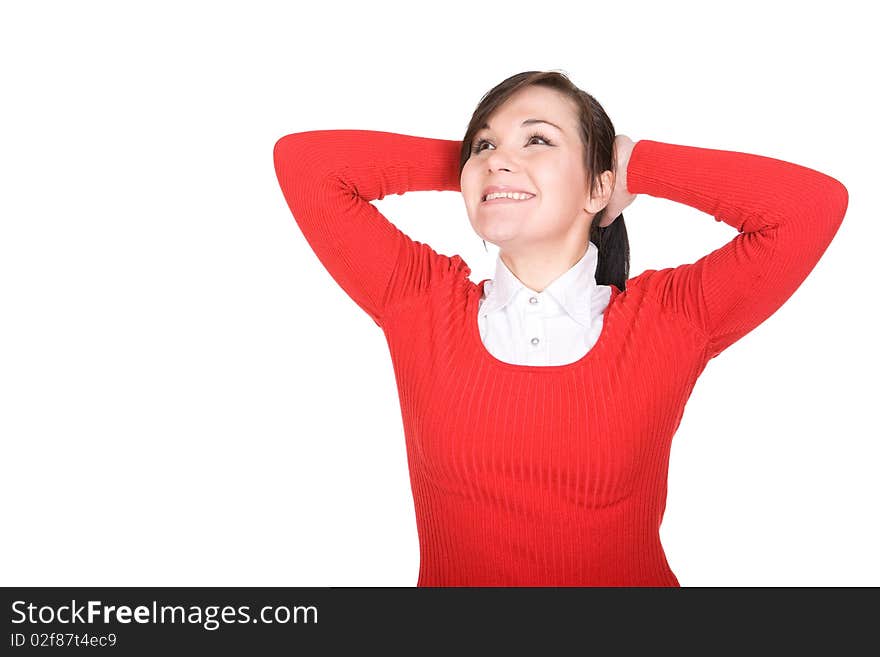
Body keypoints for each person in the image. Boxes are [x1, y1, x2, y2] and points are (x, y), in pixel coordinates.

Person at [272, 70, 848, 586]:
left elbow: (810, 207)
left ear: (598, 189)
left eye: (538, 139)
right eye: (486, 143)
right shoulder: (419, 301)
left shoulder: (671, 317)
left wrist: (636, 166)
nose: (499, 156)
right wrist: (477, 172)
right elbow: (306, 165)